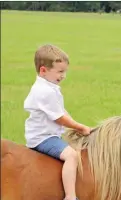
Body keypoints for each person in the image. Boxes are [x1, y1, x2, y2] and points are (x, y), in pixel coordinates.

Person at [24, 44, 91, 200]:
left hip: (47, 135)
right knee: (72, 156)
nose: (63, 76)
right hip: (43, 138)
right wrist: (80, 127)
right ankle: (70, 196)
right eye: (60, 71)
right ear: (43, 70)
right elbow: (59, 118)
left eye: (65, 71)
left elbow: (61, 112)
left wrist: (76, 125)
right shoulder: (45, 91)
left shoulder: (49, 86)